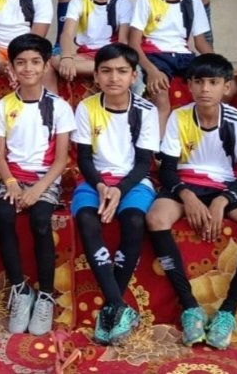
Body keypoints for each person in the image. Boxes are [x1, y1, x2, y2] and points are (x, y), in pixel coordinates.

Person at [147, 53, 237, 349]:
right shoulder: (180, 117)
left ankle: (227, 311)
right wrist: (187, 196)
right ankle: (190, 307)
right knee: (155, 218)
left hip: (227, 186)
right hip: (186, 183)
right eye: (199, 82)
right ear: (189, 85)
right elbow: (167, 170)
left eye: (213, 82)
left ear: (226, 87)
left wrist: (222, 200)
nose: (205, 89)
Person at [71, 43, 159, 345]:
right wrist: (101, 187)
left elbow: (144, 163)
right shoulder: (87, 107)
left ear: (134, 75)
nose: (114, 78)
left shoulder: (146, 110)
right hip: (95, 180)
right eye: (106, 71)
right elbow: (84, 159)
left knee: (134, 221)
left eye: (122, 71)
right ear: (96, 75)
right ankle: (118, 306)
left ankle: (110, 307)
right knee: (86, 219)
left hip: (133, 181)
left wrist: (119, 191)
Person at [0, 34, 75, 335]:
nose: (28, 68)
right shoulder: (2, 106)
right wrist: (12, 185)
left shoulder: (59, 107)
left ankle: (45, 295)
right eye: (21, 62)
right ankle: (20, 289)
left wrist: (38, 189)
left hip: (45, 178)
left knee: (40, 220)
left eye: (35, 62)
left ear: (45, 66)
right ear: (12, 67)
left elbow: (62, 159)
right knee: (2, 215)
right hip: (12, 177)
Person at [129, 0, 213, 133]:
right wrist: (151, 71)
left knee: (210, 87)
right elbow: (134, 42)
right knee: (162, 100)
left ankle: (199, 139)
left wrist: (217, 65)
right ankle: (158, 146)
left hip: (184, 56)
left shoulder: (193, 0)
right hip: (154, 56)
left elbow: (200, 42)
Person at [58, 0, 132, 83]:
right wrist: (66, 57)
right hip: (85, 54)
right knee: (54, 61)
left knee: (122, 64)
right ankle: (104, 70)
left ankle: (105, 69)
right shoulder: (79, 0)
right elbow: (67, 33)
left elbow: (123, 41)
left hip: (111, 55)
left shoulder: (123, 2)